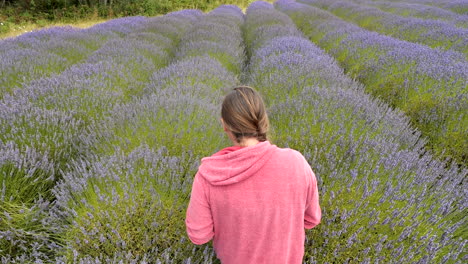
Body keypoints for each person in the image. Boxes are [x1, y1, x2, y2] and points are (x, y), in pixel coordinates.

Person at [185, 86, 321, 264]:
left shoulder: (209, 175)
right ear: (263, 120)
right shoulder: (297, 163)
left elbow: (199, 235)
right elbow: (312, 219)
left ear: (225, 125)